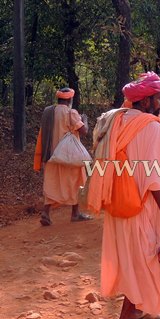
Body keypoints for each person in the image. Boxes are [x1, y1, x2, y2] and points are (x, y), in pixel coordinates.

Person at [88, 72, 160, 319]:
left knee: (132, 263)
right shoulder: (150, 125)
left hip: (117, 203)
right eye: (159, 98)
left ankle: (133, 317)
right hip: (143, 207)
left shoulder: (114, 119)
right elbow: (155, 178)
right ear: (146, 101)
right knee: (142, 264)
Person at [33, 88, 93, 226]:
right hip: (69, 156)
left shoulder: (49, 112)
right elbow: (83, 131)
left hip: (52, 155)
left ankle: (46, 213)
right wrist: (85, 120)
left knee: (52, 183)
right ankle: (75, 213)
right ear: (70, 100)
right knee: (76, 181)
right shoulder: (71, 113)